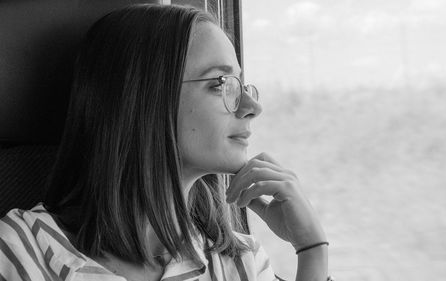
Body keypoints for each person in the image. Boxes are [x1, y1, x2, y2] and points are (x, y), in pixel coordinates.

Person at [0, 4, 329, 281]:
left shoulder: (239, 263)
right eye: (221, 83)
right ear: (144, 98)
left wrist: (311, 249)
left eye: (242, 84)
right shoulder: (22, 251)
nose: (252, 107)